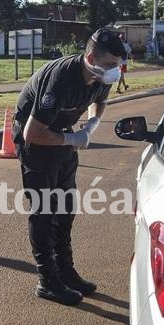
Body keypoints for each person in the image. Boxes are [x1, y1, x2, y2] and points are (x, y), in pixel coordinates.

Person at [12, 28, 124, 305]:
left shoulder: (102, 76)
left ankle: (65, 271)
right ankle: (48, 281)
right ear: (90, 58)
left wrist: (91, 126)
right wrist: (73, 138)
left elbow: (100, 103)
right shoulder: (61, 78)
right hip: (36, 140)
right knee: (44, 211)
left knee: (66, 207)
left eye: (118, 66)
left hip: (62, 135)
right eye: (110, 65)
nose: (115, 72)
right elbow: (33, 133)